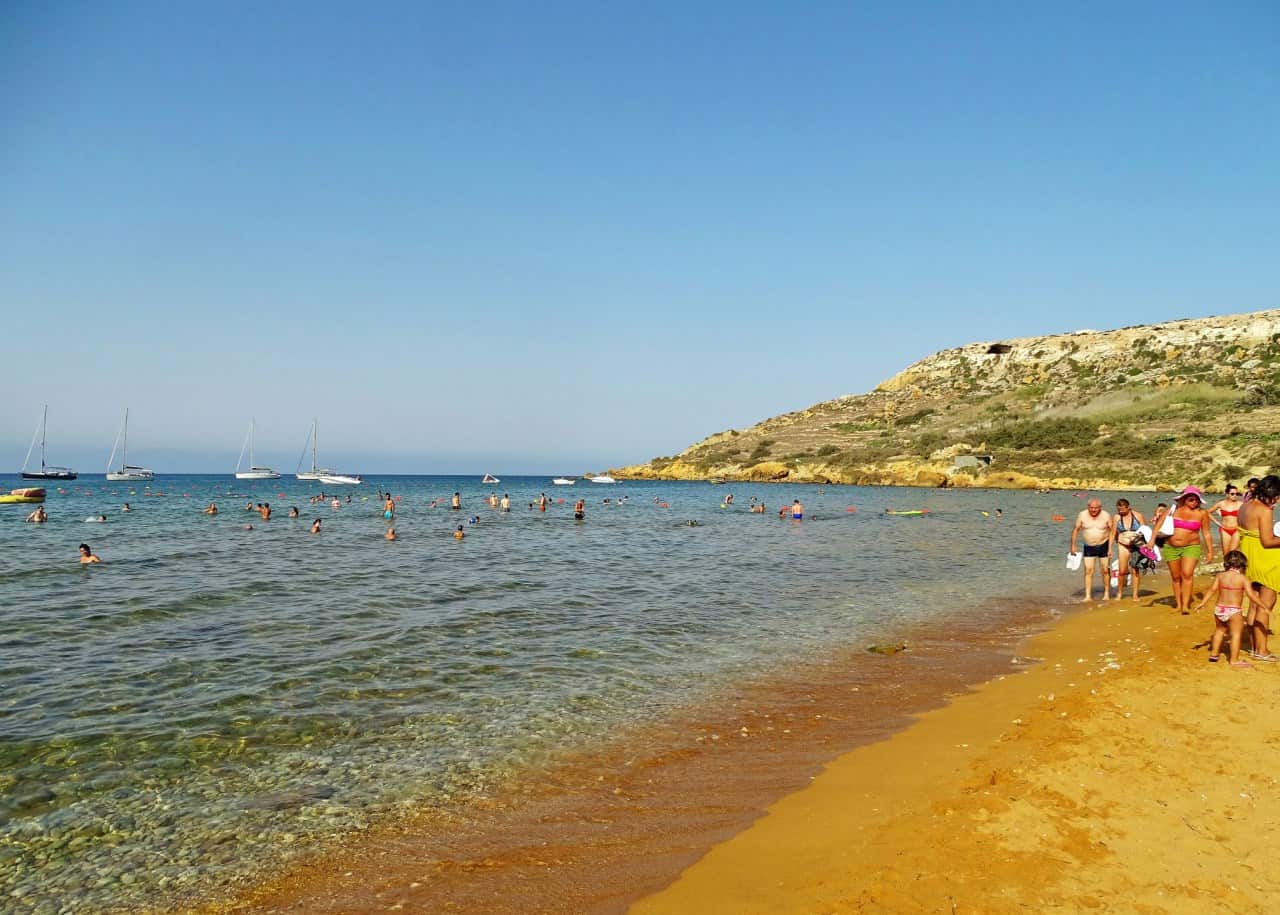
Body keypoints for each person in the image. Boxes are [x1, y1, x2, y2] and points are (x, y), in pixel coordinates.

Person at [1238, 474, 1280, 661]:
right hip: (1266, 559)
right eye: (1277, 496)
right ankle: (1262, 650)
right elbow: (1268, 541)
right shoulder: (1264, 510)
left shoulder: (1245, 506)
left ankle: (1255, 647)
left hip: (1249, 556)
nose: (1277, 501)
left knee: (1255, 604)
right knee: (1265, 605)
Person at [1196, 550, 1259, 668]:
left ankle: (1214, 654)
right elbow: (1251, 595)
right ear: (1242, 565)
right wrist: (1264, 606)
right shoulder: (1243, 578)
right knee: (1236, 634)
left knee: (1219, 631)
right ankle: (1234, 660)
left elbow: (1212, 590)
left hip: (1219, 609)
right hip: (1233, 610)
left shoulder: (1220, 576)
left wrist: (1202, 603)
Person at [1162, 486, 1214, 614]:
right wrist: (1151, 540)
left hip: (1192, 546)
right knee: (1175, 577)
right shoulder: (1173, 510)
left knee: (1187, 574)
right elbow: (1160, 525)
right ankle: (1178, 605)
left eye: (1196, 500)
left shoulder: (1202, 513)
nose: (1194, 502)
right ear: (1184, 499)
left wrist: (1210, 551)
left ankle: (1185, 606)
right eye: (1191, 499)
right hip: (1170, 547)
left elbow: (1206, 533)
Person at [1069, 498, 1113, 602]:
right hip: (1088, 546)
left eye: (1096, 508)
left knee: (1105, 570)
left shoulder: (1106, 515)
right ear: (1088, 507)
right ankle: (1088, 596)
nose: (1093, 510)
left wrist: (1110, 548)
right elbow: (1076, 529)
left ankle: (1106, 593)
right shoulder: (1082, 515)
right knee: (1088, 571)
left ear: (1100, 507)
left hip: (1104, 545)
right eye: (1091, 508)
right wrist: (1073, 546)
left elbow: (1112, 531)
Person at [1110, 498, 1146, 600]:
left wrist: (1144, 545)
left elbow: (1145, 531)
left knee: (1135, 570)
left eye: (1122, 510)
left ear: (1128, 507)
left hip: (1136, 544)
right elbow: (1112, 533)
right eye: (1118, 510)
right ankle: (1120, 593)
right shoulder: (1117, 517)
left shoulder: (1138, 516)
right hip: (1123, 544)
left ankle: (1135, 594)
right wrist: (1109, 548)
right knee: (1122, 571)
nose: (1120, 512)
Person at [1207, 484, 1245, 556]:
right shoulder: (1221, 504)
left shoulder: (1241, 504)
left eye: (1236, 494)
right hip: (1224, 530)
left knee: (1232, 552)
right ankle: (1227, 567)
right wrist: (1217, 522)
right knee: (1226, 553)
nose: (1234, 495)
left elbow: (1248, 515)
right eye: (1232, 494)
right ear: (1227, 494)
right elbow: (1207, 513)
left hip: (1236, 530)